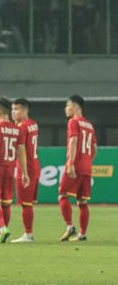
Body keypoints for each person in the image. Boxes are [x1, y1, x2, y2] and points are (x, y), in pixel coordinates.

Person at [58, 95, 96, 242]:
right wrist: (87, 161)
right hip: (87, 167)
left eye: (68, 105)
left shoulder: (73, 122)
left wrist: (71, 163)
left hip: (76, 165)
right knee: (82, 201)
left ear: (76, 106)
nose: (66, 109)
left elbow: (73, 142)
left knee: (62, 195)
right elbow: (94, 148)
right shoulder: (89, 125)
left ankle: (69, 226)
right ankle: (83, 233)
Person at [0, 97, 20, 244]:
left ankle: (2, 229)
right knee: (7, 202)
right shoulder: (16, 129)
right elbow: (21, 151)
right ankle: (4, 231)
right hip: (11, 168)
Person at [10, 98, 40, 243]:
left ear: (24, 110)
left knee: (25, 204)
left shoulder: (21, 128)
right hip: (35, 165)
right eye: (12, 109)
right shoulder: (33, 124)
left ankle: (28, 234)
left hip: (25, 168)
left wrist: (24, 173)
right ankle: (28, 233)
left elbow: (20, 150)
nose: (13, 112)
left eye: (16, 109)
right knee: (29, 203)